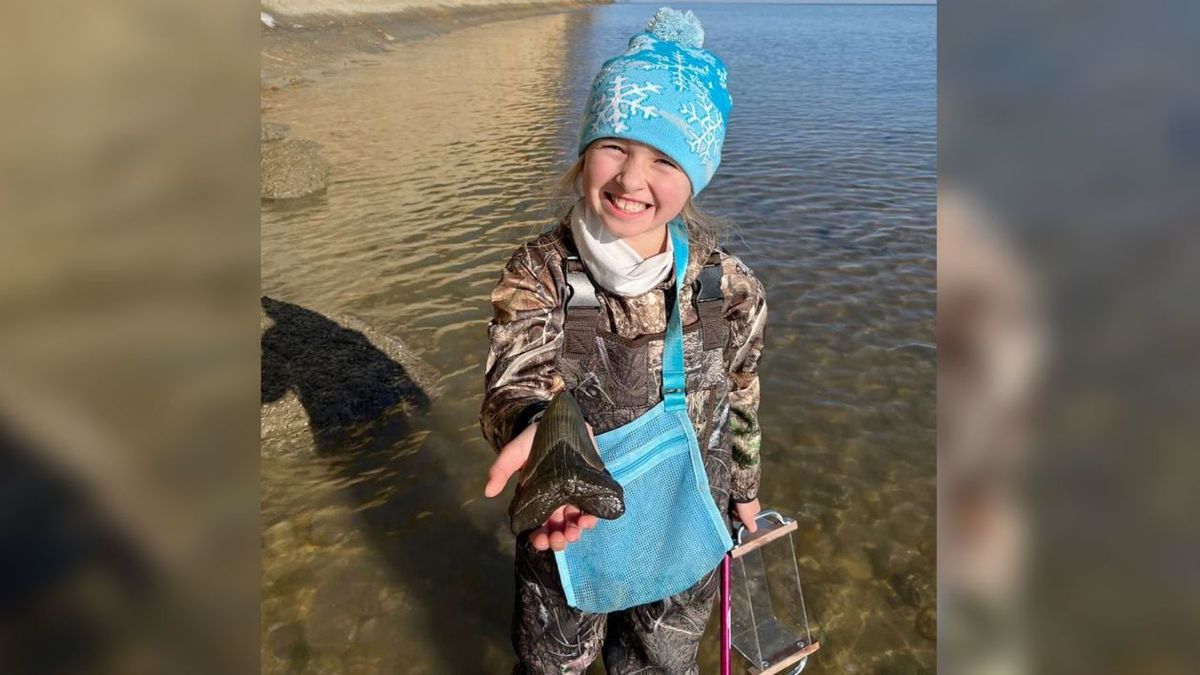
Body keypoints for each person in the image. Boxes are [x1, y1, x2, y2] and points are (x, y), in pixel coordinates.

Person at [478, 8, 767, 673]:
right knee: (556, 657)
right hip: (567, 511)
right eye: (614, 145)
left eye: (664, 159)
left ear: (697, 173)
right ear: (585, 148)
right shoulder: (541, 273)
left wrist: (746, 489)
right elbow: (512, 382)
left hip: (685, 515)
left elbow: (743, 390)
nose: (631, 179)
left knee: (660, 658)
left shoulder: (728, 288)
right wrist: (541, 436)